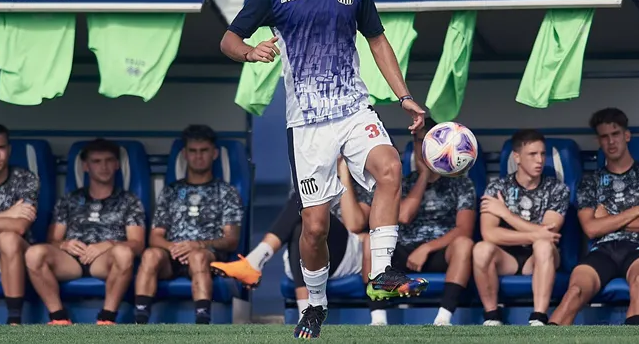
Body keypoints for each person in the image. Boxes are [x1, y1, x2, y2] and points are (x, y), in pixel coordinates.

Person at [218, 0, 425, 338]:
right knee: (313, 228)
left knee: (390, 167)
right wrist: (250, 51)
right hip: (308, 125)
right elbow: (228, 39)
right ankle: (315, 304)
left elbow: (378, 41)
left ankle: (383, 274)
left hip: (353, 109)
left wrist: (403, 95)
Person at [548, 108, 639, 326]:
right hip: (603, 250)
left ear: (626, 135)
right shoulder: (590, 182)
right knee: (575, 291)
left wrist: (608, 220)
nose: (611, 142)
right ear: (599, 141)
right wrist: (634, 212)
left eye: (615, 134)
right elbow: (591, 230)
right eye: (604, 137)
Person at [219, 156, 372, 320]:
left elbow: (353, 225)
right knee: (302, 225)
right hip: (309, 255)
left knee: (308, 207)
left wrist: (343, 174)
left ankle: (255, 260)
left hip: (347, 255)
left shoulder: (364, 178)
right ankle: (306, 315)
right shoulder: (313, 178)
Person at [363, 118, 476, 326]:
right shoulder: (402, 182)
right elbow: (404, 216)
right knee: (371, 243)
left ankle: (443, 318)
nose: (422, 147)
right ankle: (378, 318)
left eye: (426, 141)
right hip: (403, 251)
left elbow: (465, 230)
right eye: (418, 141)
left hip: (439, 251)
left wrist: (427, 248)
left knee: (464, 245)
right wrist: (424, 176)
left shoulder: (461, 184)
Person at [24, 139, 146, 325]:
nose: (103, 166)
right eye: (97, 161)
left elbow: (137, 244)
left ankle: (107, 319)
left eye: (108, 160)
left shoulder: (129, 200)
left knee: (124, 252)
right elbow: (52, 240)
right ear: (86, 166)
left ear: (116, 165)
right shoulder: (69, 200)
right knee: (34, 253)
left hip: (105, 261)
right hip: (71, 260)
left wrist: (109, 244)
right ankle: (59, 318)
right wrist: (64, 244)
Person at [133, 125, 244, 325]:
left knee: (198, 257)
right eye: (193, 151)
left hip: (207, 255)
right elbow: (155, 236)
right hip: (171, 255)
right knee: (150, 255)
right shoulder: (171, 191)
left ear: (214, 153)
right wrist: (174, 248)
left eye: (204, 151)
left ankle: (202, 322)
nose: (198, 156)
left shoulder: (226, 191)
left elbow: (231, 240)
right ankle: (140, 321)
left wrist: (197, 245)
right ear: (184, 154)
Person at [472, 129, 569, 326]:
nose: (540, 160)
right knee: (481, 249)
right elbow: (489, 233)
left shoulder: (557, 189)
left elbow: (549, 233)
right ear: (517, 157)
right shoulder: (497, 188)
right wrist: (536, 233)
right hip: (507, 257)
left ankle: (539, 317)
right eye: (532, 154)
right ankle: (492, 316)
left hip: (539, 258)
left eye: (542, 154)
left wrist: (506, 214)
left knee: (543, 245)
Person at [0, 122, 39, 325]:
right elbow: (12, 220)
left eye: (1, 148)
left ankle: (14, 323)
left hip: (14, 255)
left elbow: (20, 226)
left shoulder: (26, 179)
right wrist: (7, 214)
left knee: (9, 238)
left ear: (9, 150)